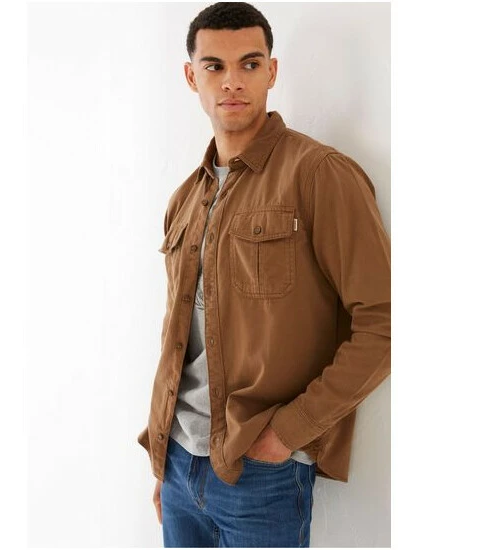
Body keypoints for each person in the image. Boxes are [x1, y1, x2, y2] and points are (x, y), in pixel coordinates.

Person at [137, 2, 391, 547]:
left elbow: (386, 321)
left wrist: (288, 432)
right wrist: (163, 460)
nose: (232, 81)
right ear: (192, 77)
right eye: (214, 66)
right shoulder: (185, 197)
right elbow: (179, 337)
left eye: (250, 64)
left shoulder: (319, 175)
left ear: (271, 72)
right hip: (178, 464)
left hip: (261, 474)